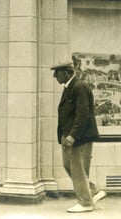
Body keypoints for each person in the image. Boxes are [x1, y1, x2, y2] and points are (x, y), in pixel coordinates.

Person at [52, 61, 106, 213]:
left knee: (77, 168)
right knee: (69, 165)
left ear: (67, 72)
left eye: (57, 72)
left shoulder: (79, 87)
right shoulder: (71, 87)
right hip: (69, 135)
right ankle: (93, 192)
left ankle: (85, 202)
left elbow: (83, 114)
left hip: (78, 137)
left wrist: (72, 136)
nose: (55, 76)